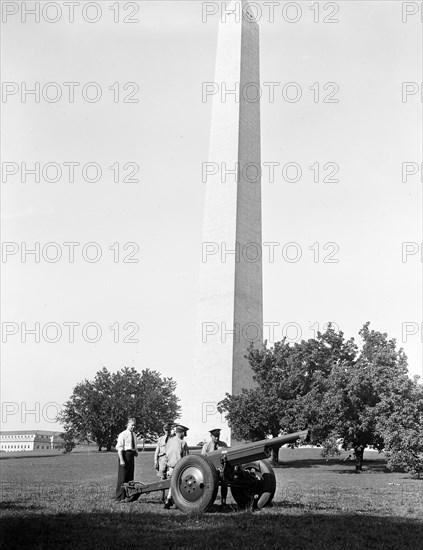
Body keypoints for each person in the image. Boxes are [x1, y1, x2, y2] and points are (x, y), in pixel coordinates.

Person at [164, 424, 189, 509]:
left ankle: (169, 500)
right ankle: (173, 501)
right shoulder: (183, 443)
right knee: (178, 485)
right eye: (184, 433)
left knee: (172, 484)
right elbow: (186, 457)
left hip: (170, 466)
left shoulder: (170, 441)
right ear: (181, 433)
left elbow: (166, 454)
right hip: (179, 467)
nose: (184, 436)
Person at [202, 428, 228, 507]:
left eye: (218, 436)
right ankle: (208, 503)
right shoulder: (206, 446)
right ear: (211, 436)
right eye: (215, 436)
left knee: (224, 484)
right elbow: (202, 459)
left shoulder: (223, 445)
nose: (217, 438)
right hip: (210, 471)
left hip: (222, 470)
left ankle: (223, 502)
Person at [115, 417, 138, 501]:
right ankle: (119, 497)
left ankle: (129, 496)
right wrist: (121, 459)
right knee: (122, 477)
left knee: (130, 477)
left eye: (134, 425)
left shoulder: (134, 435)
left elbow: (134, 446)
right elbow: (119, 448)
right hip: (124, 455)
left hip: (131, 456)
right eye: (132, 425)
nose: (133, 427)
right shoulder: (123, 434)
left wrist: (135, 452)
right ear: (127, 424)